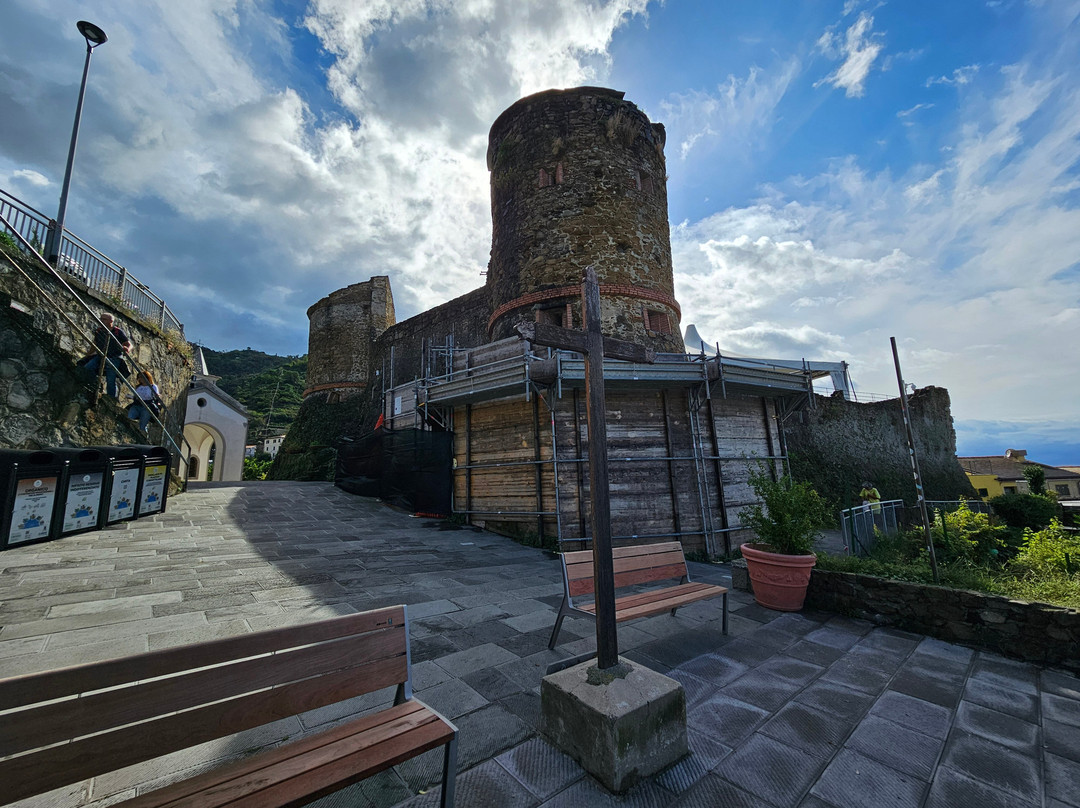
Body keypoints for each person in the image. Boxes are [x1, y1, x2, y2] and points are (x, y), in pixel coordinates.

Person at [82, 313, 131, 398]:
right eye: (101, 319)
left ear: (111, 321)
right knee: (88, 368)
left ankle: (111, 398)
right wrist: (88, 355)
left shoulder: (117, 331)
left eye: (104, 319)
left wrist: (127, 349)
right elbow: (95, 344)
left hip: (114, 357)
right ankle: (93, 386)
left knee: (110, 379)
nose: (101, 321)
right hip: (100, 355)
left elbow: (129, 344)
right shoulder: (99, 331)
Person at [127, 370, 161, 434]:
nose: (140, 379)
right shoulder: (138, 387)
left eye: (141, 377)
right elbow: (136, 396)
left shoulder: (153, 386)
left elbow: (155, 396)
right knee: (130, 418)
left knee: (142, 425)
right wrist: (131, 397)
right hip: (137, 405)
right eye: (139, 377)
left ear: (147, 377)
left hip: (147, 406)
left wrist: (157, 396)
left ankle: (143, 437)